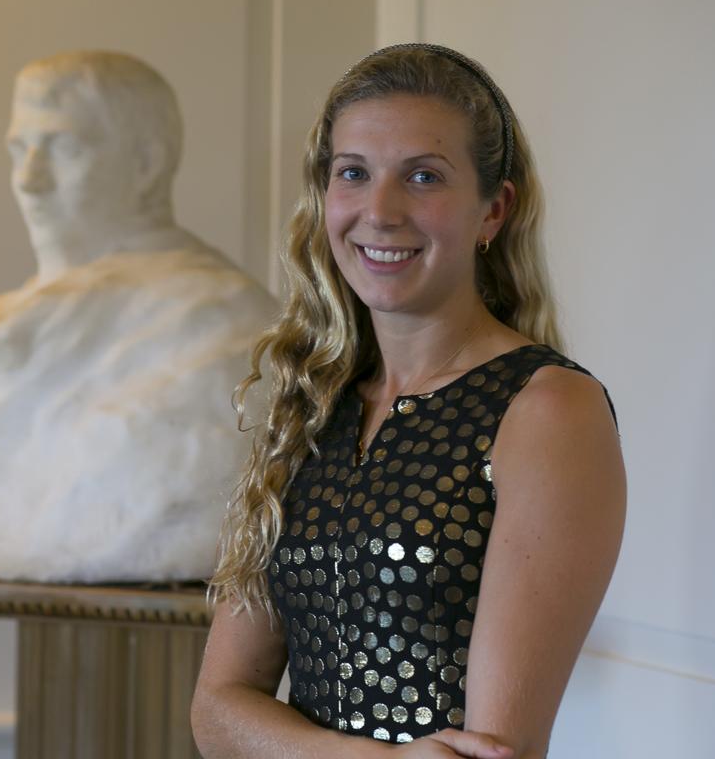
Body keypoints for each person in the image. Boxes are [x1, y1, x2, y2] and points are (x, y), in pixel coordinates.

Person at [191, 44, 626, 757]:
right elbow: (216, 712)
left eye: (423, 177)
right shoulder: (313, 405)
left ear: (495, 209)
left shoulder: (547, 411)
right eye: (353, 174)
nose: (380, 211)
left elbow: (494, 749)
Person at [0, 51, 274, 584]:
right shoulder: (4, 325)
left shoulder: (224, 325)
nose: (30, 180)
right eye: (19, 149)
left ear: (146, 164)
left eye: (64, 147)